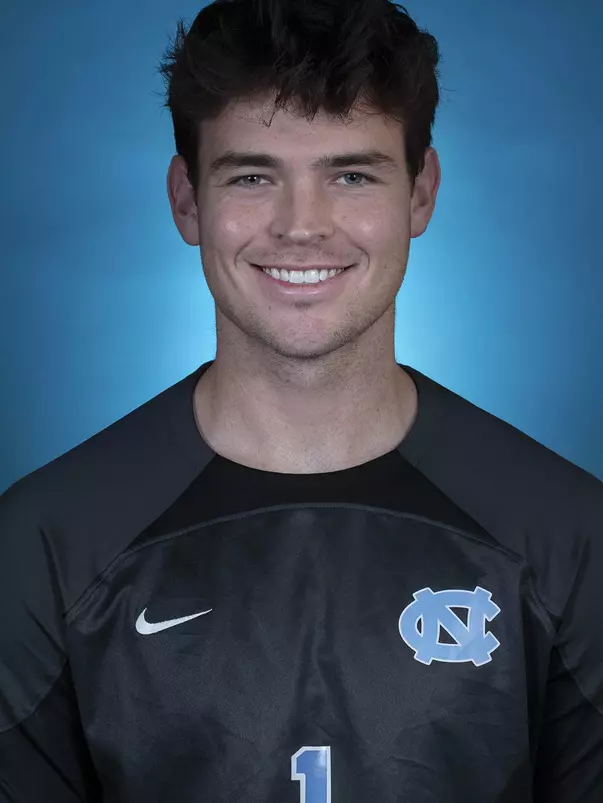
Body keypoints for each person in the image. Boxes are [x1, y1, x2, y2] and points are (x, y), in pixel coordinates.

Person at [1, 0, 602, 799]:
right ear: (187, 200)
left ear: (420, 193)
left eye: (351, 175)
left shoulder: (567, 535)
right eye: (252, 176)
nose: (301, 226)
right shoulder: (46, 544)